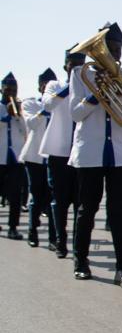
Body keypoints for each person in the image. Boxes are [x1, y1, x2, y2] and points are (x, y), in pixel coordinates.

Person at [68, 24, 122, 287]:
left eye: (118, 50)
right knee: (87, 209)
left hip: (121, 153)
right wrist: (96, 95)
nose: (115, 55)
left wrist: (116, 91)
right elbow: (75, 114)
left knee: (120, 212)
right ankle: (81, 261)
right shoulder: (80, 74)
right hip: (91, 153)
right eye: (111, 50)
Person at [40, 48, 84, 258]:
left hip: (80, 151)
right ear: (65, 65)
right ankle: (59, 239)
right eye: (72, 64)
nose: (75, 68)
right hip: (59, 151)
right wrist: (71, 85)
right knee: (59, 200)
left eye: (79, 64)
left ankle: (77, 244)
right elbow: (48, 105)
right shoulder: (54, 85)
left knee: (79, 202)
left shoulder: (87, 84)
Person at [19, 68, 57, 248]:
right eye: (45, 84)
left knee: (53, 198)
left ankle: (53, 239)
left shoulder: (59, 104)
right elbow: (32, 123)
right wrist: (46, 108)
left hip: (52, 155)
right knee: (36, 196)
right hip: (34, 157)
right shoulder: (30, 103)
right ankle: (32, 231)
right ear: (40, 86)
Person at [1, 72, 27, 239]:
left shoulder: (20, 109)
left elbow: (25, 131)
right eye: (8, 90)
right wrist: (6, 117)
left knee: (15, 195)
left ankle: (13, 227)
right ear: (2, 90)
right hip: (0, 157)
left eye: (14, 90)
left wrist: (19, 116)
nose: (11, 93)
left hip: (16, 158)